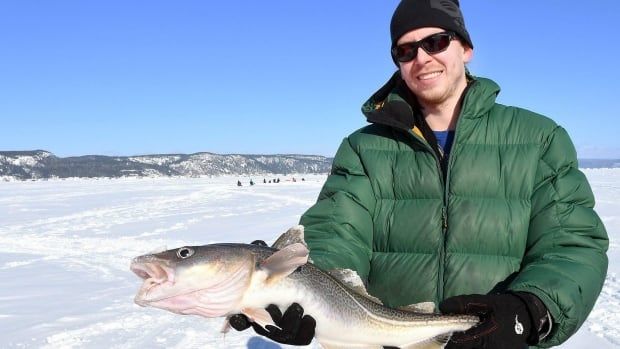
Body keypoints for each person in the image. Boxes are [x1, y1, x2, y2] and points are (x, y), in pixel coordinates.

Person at [231, 1, 609, 348]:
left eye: (436, 41)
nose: (422, 58)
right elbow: (337, 233)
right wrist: (303, 289)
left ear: (465, 48)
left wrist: (531, 308)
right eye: (406, 50)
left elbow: (571, 243)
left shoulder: (538, 138)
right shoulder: (364, 147)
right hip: (389, 339)